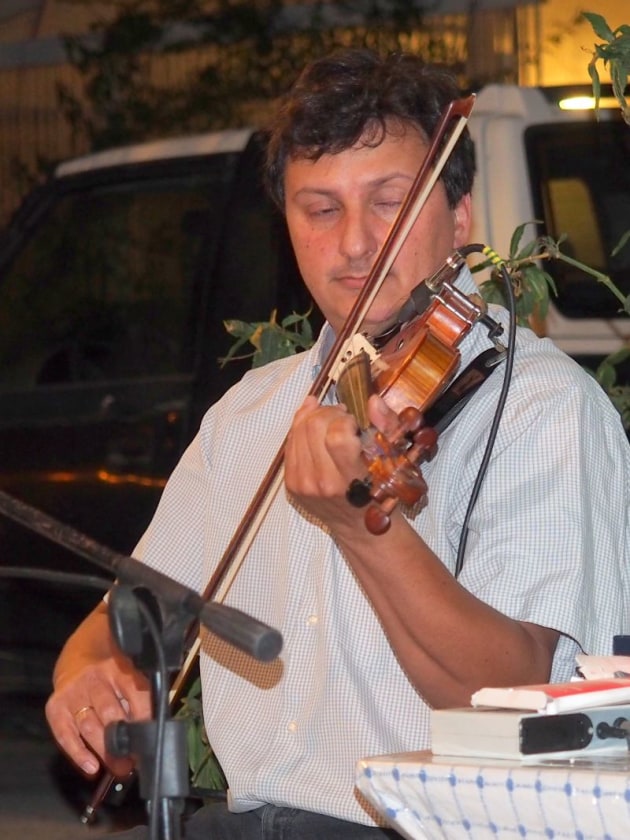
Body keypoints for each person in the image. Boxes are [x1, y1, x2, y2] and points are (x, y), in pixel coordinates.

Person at [45, 48, 630, 839]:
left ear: (459, 215)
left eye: (389, 200)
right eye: (320, 210)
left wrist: (362, 528)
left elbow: (509, 699)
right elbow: (133, 611)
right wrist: (89, 676)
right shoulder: (250, 413)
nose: (356, 244)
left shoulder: (542, 410)